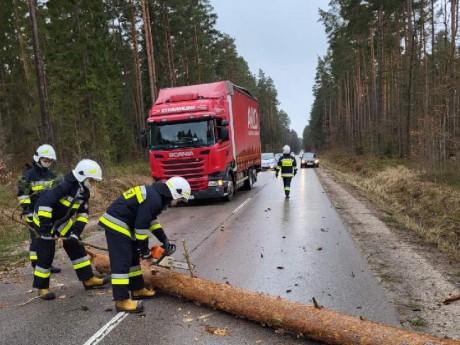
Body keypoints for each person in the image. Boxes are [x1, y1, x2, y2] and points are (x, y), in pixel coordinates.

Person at [98, 176, 191, 313]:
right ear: (175, 192)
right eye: (179, 199)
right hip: (116, 223)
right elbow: (141, 227)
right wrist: (145, 251)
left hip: (125, 224)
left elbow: (150, 221)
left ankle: (137, 288)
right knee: (122, 261)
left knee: (133, 258)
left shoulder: (154, 195)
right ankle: (121, 300)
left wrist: (164, 239)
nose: (176, 202)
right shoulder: (154, 199)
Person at [32, 159, 110, 300]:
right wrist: (44, 230)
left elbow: (83, 213)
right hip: (44, 220)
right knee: (46, 251)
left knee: (76, 245)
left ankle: (88, 279)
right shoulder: (62, 184)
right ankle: (42, 287)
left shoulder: (83, 191)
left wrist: (76, 232)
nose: (93, 183)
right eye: (91, 180)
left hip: (61, 220)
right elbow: (45, 204)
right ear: (83, 176)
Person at [17, 144, 61, 273]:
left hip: (47, 213)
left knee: (48, 239)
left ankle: (47, 264)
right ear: (38, 159)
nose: (47, 163)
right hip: (33, 213)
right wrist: (27, 211)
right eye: (45, 160)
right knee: (36, 239)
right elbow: (22, 195)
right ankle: (36, 264)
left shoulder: (52, 176)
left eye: (49, 161)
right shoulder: (27, 175)